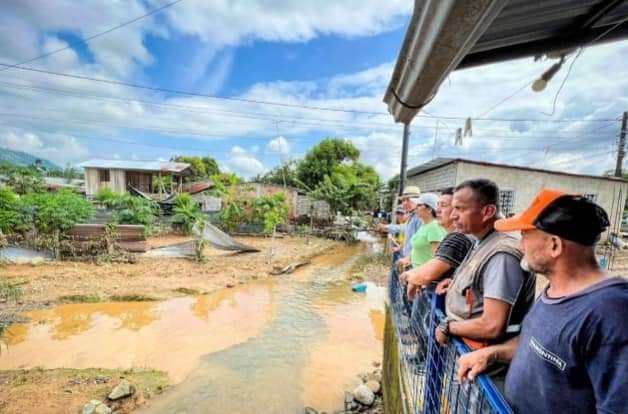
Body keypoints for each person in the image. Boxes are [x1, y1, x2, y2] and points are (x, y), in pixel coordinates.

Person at [456, 190, 628, 413]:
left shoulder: (611, 313)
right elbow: (534, 343)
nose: (520, 246)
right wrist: (493, 353)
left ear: (554, 245)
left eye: (525, 236)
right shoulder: (555, 290)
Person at [435, 179, 535, 352]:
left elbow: (492, 325)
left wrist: (448, 327)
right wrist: (456, 285)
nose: (453, 216)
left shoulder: (502, 254)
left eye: (460, 209)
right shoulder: (482, 239)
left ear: (488, 211)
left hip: (486, 365)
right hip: (470, 355)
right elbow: (481, 281)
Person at [400, 188, 473, 298]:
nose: (438, 210)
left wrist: (413, 277)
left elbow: (431, 270)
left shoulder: (457, 237)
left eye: (443, 205)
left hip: (438, 297)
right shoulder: (449, 235)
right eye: (438, 205)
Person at [378, 185, 422, 264]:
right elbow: (404, 229)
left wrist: (409, 258)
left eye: (408, 200)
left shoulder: (420, 217)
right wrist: (386, 227)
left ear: (417, 200)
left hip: (413, 261)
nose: (404, 203)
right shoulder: (412, 216)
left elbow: (421, 243)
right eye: (403, 200)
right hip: (407, 257)